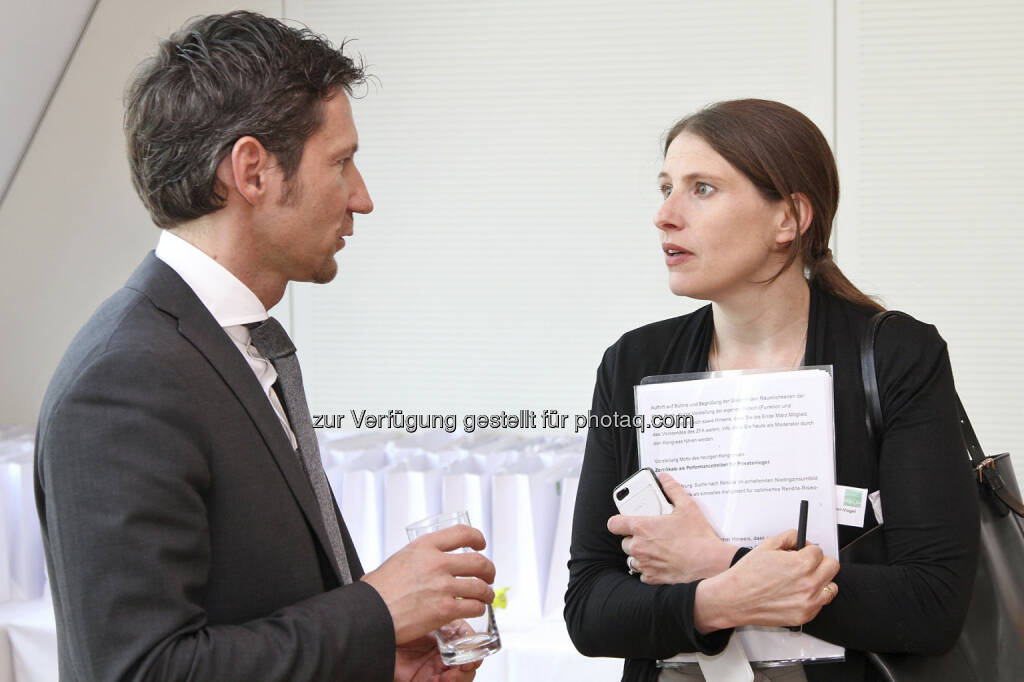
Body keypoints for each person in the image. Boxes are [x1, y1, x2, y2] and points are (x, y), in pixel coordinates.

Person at [34, 11, 494, 682]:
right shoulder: (123, 379)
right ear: (252, 171)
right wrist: (373, 613)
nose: (361, 198)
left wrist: (375, 660)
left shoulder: (234, 345)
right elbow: (143, 670)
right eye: (342, 162)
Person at [563, 99, 979, 681]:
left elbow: (932, 605)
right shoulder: (633, 362)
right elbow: (589, 610)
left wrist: (715, 562)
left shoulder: (897, 355)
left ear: (789, 218)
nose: (665, 215)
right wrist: (722, 597)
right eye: (666, 187)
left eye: (701, 188)